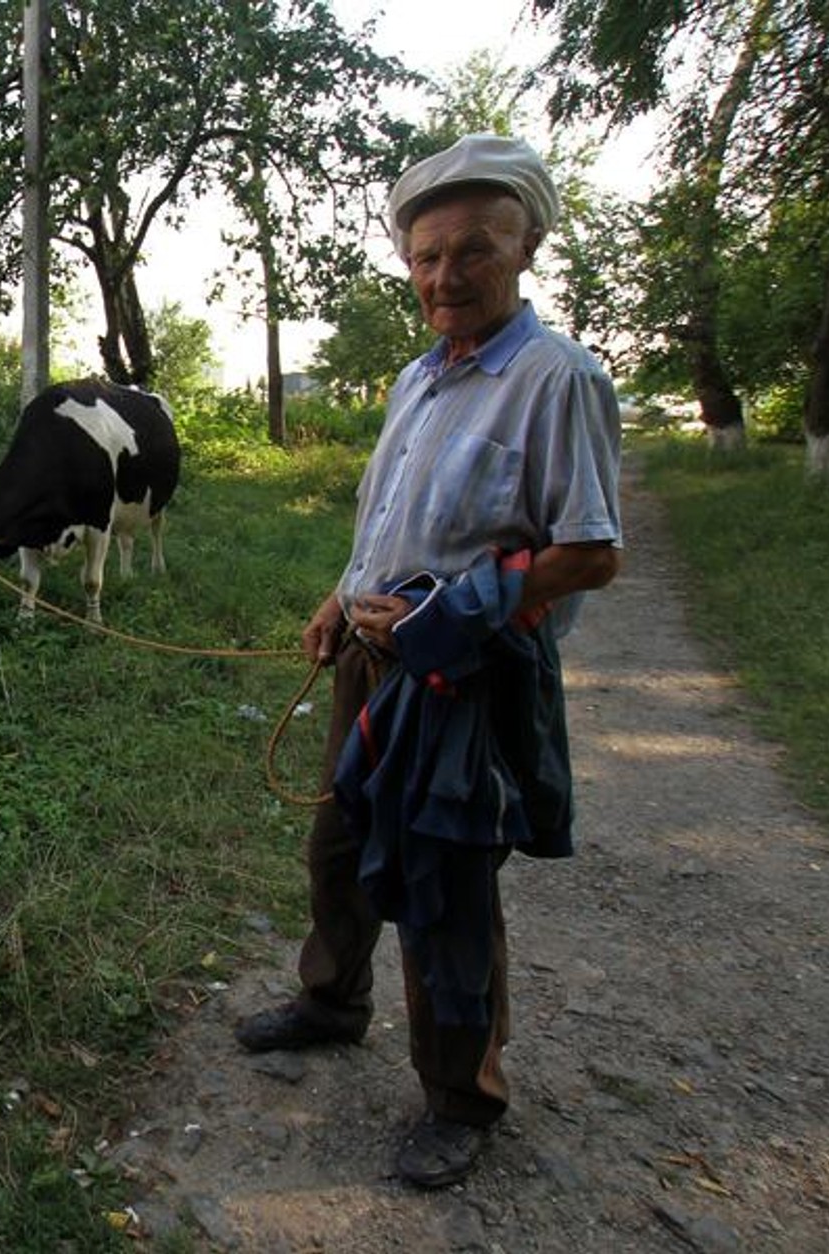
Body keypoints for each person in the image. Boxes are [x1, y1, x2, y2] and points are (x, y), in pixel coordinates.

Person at [233, 134, 623, 1190]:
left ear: (524, 246)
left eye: (472, 252)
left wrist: (451, 615)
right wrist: (336, 595)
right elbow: (389, 526)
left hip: (466, 683)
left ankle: (461, 1098)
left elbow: (590, 550)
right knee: (338, 843)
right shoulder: (415, 377)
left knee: (445, 888)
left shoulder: (557, 379)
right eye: (424, 257)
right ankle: (329, 1003)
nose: (444, 276)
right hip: (372, 664)